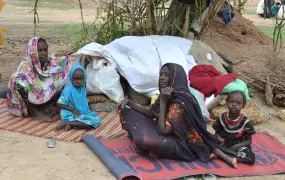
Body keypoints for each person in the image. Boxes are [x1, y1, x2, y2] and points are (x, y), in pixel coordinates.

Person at [119, 63, 237, 168]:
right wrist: (129, 103)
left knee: (143, 140)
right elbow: (151, 113)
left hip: (182, 144)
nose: (162, 78)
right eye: (161, 74)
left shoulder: (180, 101)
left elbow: (163, 131)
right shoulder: (166, 93)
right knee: (127, 111)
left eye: (166, 75)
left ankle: (147, 146)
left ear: (176, 78)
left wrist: (164, 102)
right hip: (165, 131)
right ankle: (146, 144)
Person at [6, 37, 66, 122]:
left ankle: (50, 106)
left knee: (62, 76)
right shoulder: (25, 65)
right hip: (30, 97)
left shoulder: (49, 62)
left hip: (44, 97)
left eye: (45, 50)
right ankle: (33, 111)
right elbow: (31, 82)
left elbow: (58, 69)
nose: (43, 53)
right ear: (32, 51)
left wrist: (46, 68)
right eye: (40, 50)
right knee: (17, 80)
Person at [212, 90, 256, 165]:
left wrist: (236, 146)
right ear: (227, 102)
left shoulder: (245, 122)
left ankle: (219, 155)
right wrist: (219, 138)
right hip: (224, 144)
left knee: (250, 157)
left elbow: (249, 141)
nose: (234, 105)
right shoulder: (222, 117)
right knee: (208, 142)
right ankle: (228, 158)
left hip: (238, 146)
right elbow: (217, 133)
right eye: (231, 102)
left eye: (238, 103)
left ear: (243, 105)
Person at [56, 64, 101, 131]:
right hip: (70, 114)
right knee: (91, 123)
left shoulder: (82, 89)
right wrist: (73, 110)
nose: (78, 81)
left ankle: (71, 124)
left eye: (81, 78)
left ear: (84, 78)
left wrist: (85, 110)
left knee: (97, 121)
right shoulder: (68, 90)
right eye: (75, 79)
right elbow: (59, 103)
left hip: (81, 113)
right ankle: (66, 123)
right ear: (71, 78)